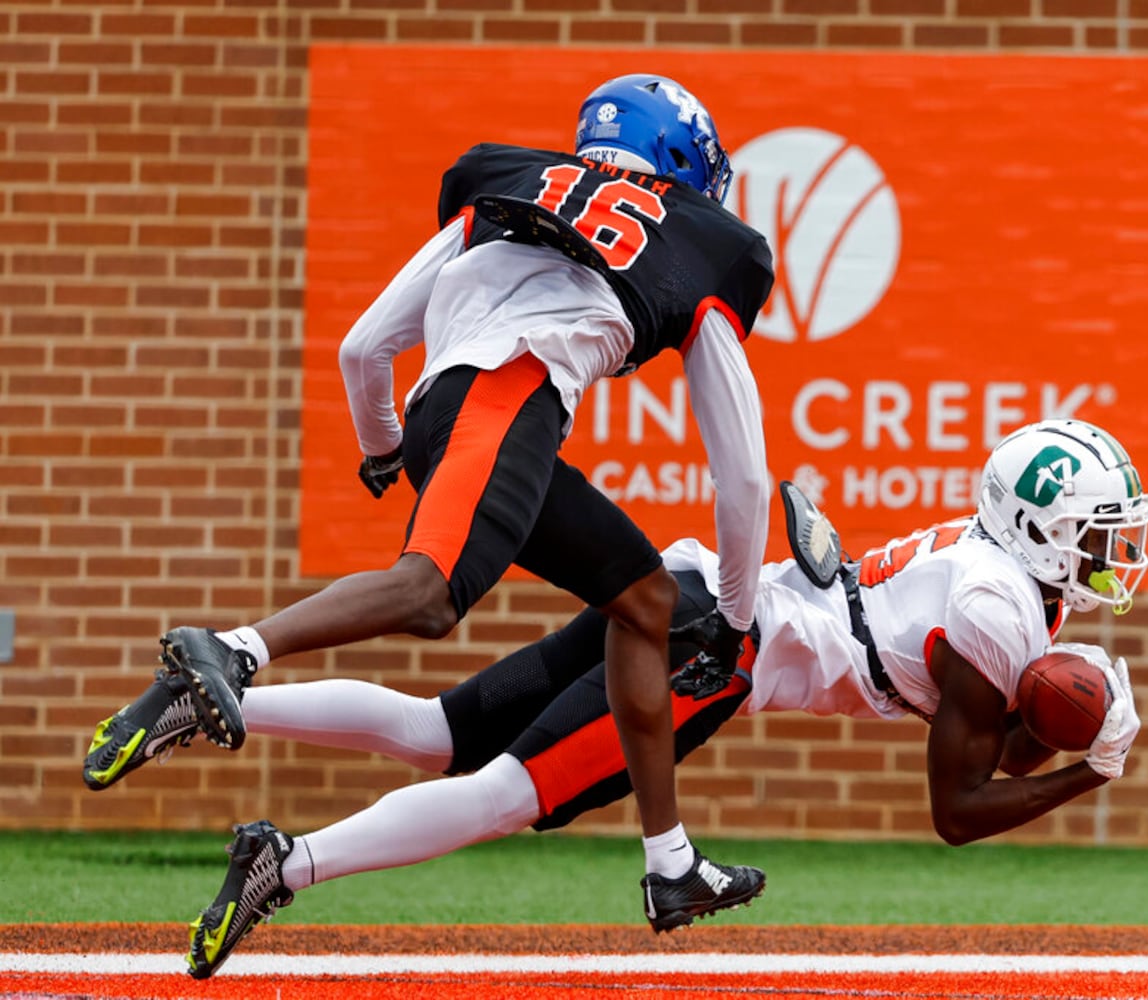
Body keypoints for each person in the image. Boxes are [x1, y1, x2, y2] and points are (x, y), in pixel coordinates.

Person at [82, 73, 775, 935]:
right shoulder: (709, 241)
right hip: (509, 397)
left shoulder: (506, 182)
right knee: (428, 595)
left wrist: (381, 447)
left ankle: (671, 865)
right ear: (682, 160)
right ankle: (229, 648)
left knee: (644, 600)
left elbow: (364, 346)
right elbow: (743, 474)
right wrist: (740, 615)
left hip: (438, 409)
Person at [91, 418, 1148, 979]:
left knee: (438, 732)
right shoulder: (997, 606)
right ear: (1044, 531)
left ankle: (215, 686)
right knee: (502, 792)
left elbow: (990, 738)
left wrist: (1055, 734)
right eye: (1103, 531)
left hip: (684, 589)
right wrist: (1090, 767)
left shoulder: (990, 569)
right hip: (709, 650)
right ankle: (289, 861)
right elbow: (957, 809)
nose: (1119, 551)